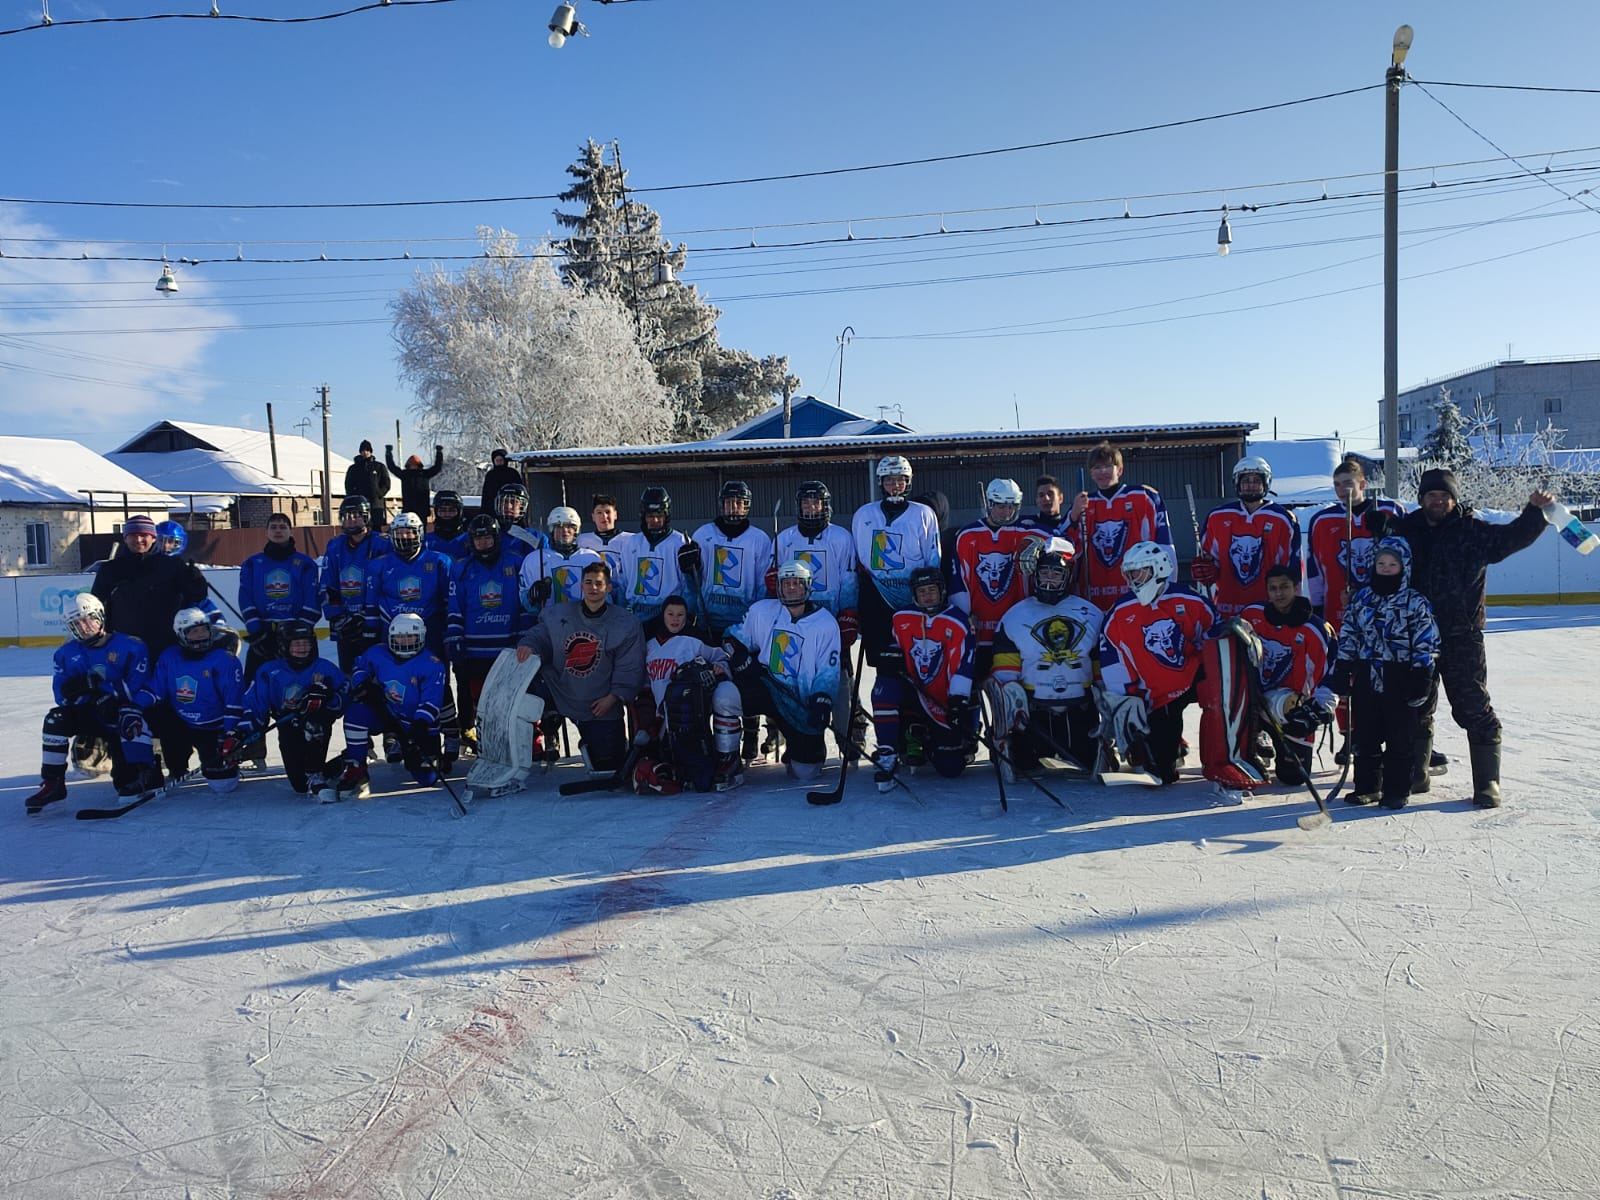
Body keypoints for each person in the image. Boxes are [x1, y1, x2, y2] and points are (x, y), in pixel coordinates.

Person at [1367, 467, 1551, 807]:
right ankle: (1416, 773)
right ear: (1422, 500)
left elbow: (1512, 538)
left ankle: (1487, 783)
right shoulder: (1407, 530)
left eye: (1444, 496)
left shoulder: (1472, 531)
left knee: (1472, 707)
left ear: (1454, 499)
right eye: (1431, 496)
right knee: (1415, 705)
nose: (1438, 502)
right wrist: (1378, 527)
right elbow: (1384, 563)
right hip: (1415, 638)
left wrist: (1534, 512)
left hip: (1461, 636)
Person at [1096, 541, 1262, 790]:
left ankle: (1232, 753)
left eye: (1139, 572)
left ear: (1158, 568)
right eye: (1129, 574)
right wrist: (1127, 697)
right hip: (1156, 696)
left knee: (1228, 684)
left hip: (1193, 678)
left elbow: (1213, 639)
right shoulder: (1120, 612)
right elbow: (1111, 658)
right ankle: (1160, 747)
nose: (1134, 579)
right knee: (1161, 773)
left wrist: (1232, 629)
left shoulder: (1189, 600)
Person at [1303, 457, 1407, 763]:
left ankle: (1393, 736)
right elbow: (1315, 568)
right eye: (1337, 484)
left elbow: (1406, 559)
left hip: (1383, 616)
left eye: (1348, 483)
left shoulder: (1389, 512)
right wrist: (1319, 607)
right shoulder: (1321, 521)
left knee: (1386, 675)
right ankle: (1351, 737)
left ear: (1362, 484)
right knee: (1343, 677)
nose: (1342, 490)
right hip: (1339, 614)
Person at [24, 593, 161, 813]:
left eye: (88, 619)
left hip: (122, 710)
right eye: (76, 623)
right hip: (92, 710)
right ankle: (53, 783)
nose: (84, 627)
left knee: (127, 728)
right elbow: (61, 695)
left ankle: (142, 771)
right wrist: (93, 695)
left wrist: (99, 690)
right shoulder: (65, 653)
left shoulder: (132, 646)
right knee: (56, 718)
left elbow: (137, 687)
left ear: (100, 616)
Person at [1331, 539, 1440, 809]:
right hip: (1368, 673)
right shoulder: (1362, 598)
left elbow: (1426, 640)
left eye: (1393, 564)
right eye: (1381, 563)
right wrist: (1343, 667)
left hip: (1400, 675)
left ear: (1404, 567)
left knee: (1399, 736)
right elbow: (1350, 634)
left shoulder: (1414, 602)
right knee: (1366, 733)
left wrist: (1421, 674)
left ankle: (1397, 788)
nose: (1386, 568)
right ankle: (1368, 786)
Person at [515, 560, 647, 774]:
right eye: (588, 582)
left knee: (608, 765)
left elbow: (629, 667)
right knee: (527, 686)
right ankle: (546, 725)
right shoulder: (558, 614)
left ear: (609, 587)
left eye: (599, 583)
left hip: (599, 704)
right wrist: (529, 645)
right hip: (559, 689)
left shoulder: (626, 623)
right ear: (581, 586)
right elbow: (541, 635)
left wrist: (614, 697)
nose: (593, 588)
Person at [987, 538, 1103, 777]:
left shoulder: (1091, 614)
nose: (1049, 580)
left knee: (1086, 763)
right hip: (1034, 712)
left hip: (1078, 709)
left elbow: (1102, 666)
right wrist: (1010, 710)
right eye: (1045, 573)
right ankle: (1009, 743)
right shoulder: (1014, 616)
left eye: (1056, 574)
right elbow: (1004, 674)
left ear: (1067, 577)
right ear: (1035, 576)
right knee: (1025, 765)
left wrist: (1108, 699)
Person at [724, 559, 842, 783]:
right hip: (766, 687)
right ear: (778, 586)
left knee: (805, 773)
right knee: (724, 696)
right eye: (786, 583)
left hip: (798, 704)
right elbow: (731, 638)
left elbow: (828, 671)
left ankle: (799, 749)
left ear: (808, 586)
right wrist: (740, 657)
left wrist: (822, 701)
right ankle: (727, 758)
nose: (791, 588)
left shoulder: (826, 623)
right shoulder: (762, 610)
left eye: (797, 583)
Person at [870, 565, 978, 792]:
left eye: (932, 590)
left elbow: (963, 664)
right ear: (914, 594)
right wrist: (891, 658)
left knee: (951, 769)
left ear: (942, 591)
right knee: (884, 686)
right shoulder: (901, 618)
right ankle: (888, 752)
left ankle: (925, 740)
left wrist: (958, 701)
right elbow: (895, 648)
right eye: (922, 591)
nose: (927, 595)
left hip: (943, 700)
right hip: (913, 692)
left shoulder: (957, 621)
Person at [366, 510, 460, 765]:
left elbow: (450, 599)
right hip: (393, 637)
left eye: (410, 532)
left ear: (420, 533)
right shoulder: (379, 565)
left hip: (430, 634)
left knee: (439, 686)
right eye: (400, 533)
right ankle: (394, 737)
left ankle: (451, 733)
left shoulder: (440, 561)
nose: (405, 537)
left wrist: (450, 630)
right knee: (391, 685)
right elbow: (372, 603)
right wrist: (371, 632)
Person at [330, 614, 451, 799]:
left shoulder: (432, 664)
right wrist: (363, 684)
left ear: (421, 636)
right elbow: (360, 667)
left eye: (410, 636)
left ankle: (432, 756)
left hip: (415, 723)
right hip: (386, 712)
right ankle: (357, 766)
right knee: (356, 713)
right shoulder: (377, 652)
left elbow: (431, 701)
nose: (404, 641)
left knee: (428, 778)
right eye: (399, 637)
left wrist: (420, 727)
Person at [634, 596, 743, 793]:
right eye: (670, 614)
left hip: (693, 708)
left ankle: (729, 758)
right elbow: (645, 685)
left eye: (680, 615)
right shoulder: (649, 645)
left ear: (686, 617)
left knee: (726, 693)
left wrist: (719, 667)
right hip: (665, 714)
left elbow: (721, 658)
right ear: (663, 616)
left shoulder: (695, 639)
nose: (675, 619)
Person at [1241, 564, 1337, 786]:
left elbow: (1332, 673)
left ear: (1296, 587)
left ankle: (1280, 743)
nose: (1278, 593)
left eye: (1284, 587)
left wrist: (1320, 709)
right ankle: (1255, 738)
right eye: (1273, 588)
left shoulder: (1317, 629)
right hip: (1255, 703)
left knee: (1293, 777)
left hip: (1292, 709)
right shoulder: (1252, 615)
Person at [135, 607, 247, 794]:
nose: (201, 635)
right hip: (182, 724)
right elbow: (156, 689)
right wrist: (132, 707)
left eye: (204, 630)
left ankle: (218, 757)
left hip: (215, 728)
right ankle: (156, 767)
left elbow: (234, 702)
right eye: (194, 632)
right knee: (142, 715)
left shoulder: (224, 660)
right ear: (181, 634)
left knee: (223, 785)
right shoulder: (170, 656)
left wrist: (230, 735)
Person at [852, 455, 941, 688]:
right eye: (889, 480)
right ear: (881, 482)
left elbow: (933, 558)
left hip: (915, 601)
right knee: (885, 665)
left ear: (909, 481)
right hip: (877, 600)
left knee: (917, 661)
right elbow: (859, 560)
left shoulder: (923, 514)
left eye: (900, 480)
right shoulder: (864, 515)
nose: (895, 485)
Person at [445, 513, 533, 749]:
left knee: (506, 698)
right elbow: (455, 606)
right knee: (474, 696)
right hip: (474, 648)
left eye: (488, 538)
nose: (483, 543)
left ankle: (516, 740)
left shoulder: (514, 562)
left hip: (506, 647)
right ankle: (471, 731)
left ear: (496, 538)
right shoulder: (461, 568)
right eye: (478, 538)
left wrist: (524, 635)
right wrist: (455, 639)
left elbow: (524, 604)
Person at [239, 619, 347, 798]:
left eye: (306, 643)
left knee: (315, 720)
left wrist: (328, 698)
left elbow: (345, 698)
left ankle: (316, 773)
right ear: (283, 645)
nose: (302, 648)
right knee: (300, 786)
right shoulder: (269, 671)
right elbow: (255, 704)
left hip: (318, 724)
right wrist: (240, 733)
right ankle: (345, 761)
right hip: (287, 723)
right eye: (296, 644)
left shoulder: (325, 668)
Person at [949, 478, 1042, 680]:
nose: (1006, 512)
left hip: (1016, 630)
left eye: (1012, 506)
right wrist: (964, 618)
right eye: (1001, 506)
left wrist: (1042, 543)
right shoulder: (967, 534)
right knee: (972, 691)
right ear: (989, 504)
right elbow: (959, 582)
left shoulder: (1026, 530)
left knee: (1013, 691)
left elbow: (1065, 543)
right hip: (979, 631)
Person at [1065, 442, 1175, 613]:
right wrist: (1073, 515)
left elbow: (1164, 545)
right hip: (1094, 596)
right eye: (1096, 468)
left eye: (1108, 466)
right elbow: (1065, 543)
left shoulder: (1144, 497)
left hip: (1138, 594)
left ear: (1120, 470)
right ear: (1090, 474)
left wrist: (1168, 588)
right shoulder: (1084, 503)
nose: (1102, 472)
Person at [1193, 455, 1302, 620]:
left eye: (1256, 481)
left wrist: (1294, 606)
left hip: (1269, 610)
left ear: (1266, 483)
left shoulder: (1283, 519)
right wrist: (1206, 571)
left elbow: (1292, 568)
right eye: (1246, 481)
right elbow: (1210, 559)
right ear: (1237, 483)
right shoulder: (1217, 517)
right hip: (1227, 609)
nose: (1251, 486)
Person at [90, 514, 208, 659]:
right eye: (133, 535)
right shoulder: (110, 569)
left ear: (153, 538)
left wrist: (196, 580)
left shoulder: (172, 566)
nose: (138, 540)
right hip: (124, 646)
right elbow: (96, 605)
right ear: (125, 538)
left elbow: (197, 596)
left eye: (144, 535)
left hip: (166, 646)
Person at [238, 512, 322, 686]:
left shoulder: (305, 564)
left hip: (300, 638)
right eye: (273, 527)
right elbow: (245, 596)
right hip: (263, 635)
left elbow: (312, 599)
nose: (278, 531)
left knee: (307, 687)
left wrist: (297, 634)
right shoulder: (252, 564)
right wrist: (257, 631)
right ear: (266, 532)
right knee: (253, 688)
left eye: (283, 527)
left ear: (291, 531)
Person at [690, 480, 773, 640]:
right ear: (722, 504)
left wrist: (754, 620)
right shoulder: (703, 534)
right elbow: (694, 579)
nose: (733, 507)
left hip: (742, 623)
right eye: (729, 502)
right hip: (707, 621)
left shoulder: (759, 539)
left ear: (746, 505)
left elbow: (762, 585)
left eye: (738, 502)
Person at [321, 496, 393, 672]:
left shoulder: (382, 544)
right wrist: (339, 618)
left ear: (366, 516)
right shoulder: (334, 546)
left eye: (356, 515)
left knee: (377, 674)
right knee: (349, 675)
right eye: (347, 516)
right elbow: (328, 584)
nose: (351, 520)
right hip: (345, 626)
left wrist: (366, 616)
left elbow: (388, 584)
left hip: (374, 623)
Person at [618, 486, 695, 626]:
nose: (654, 521)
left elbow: (688, 586)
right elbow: (624, 583)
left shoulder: (680, 542)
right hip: (637, 617)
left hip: (668, 619)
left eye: (659, 516)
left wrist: (688, 615)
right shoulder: (631, 543)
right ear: (643, 516)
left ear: (667, 516)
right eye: (650, 516)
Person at [521, 506, 602, 613]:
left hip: (585, 623)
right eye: (559, 526)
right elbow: (524, 600)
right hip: (550, 623)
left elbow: (604, 596)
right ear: (551, 531)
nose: (564, 531)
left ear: (576, 530)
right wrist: (531, 597)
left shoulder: (591, 558)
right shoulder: (534, 559)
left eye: (569, 526)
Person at [386, 443, 444, 521]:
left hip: (422, 508)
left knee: (422, 529)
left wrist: (439, 453)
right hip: (408, 508)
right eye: (411, 465)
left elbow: (437, 467)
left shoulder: (424, 474)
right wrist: (388, 453)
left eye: (415, 465)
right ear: (408, 466)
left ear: (419, 465)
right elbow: (392, 467)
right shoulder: (405, 474)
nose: (413, 466)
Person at [343, 440, 392, 527]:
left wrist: (379, 494)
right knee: (361, 527)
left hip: (376, 504)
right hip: (360, 505)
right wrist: (354, 497)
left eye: (367, 450)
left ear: (371, 451)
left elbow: (386, 483)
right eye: (363, 450)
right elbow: (348, 485)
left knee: (377, 528)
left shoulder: (379, 466)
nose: (365, 452)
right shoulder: (354, 469)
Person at [423, 490, 469, 560]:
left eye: (452, 510)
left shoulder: (470, 541)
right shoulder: (425, 541)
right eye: (442, 510)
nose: (447, 514)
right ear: (436, 512)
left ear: (459, 512)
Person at [478, 449, 522, 517]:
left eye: (501, 460)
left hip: (509, 507)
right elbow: (486, 493)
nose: (499, 462)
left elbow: (520, 490)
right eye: (497, 460)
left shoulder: (512, 473)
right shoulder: (490, 475)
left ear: (505, 460)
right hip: (492, 508)